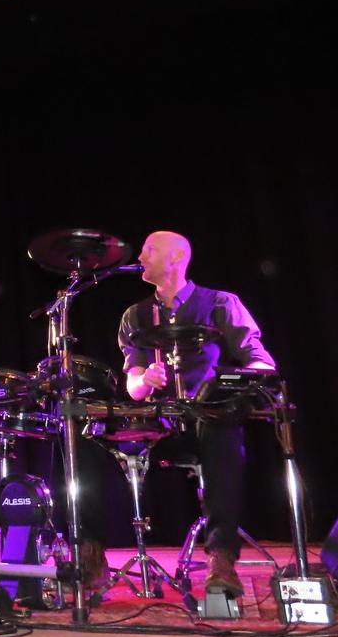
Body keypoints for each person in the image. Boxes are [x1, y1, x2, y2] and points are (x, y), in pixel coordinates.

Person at [117, 230, 275, 596]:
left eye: (149, 250)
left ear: (176, 257)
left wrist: (236, 382)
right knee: (90, 438)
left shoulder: (220, 303)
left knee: (220, 429)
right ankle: (89, 557)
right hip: (159, 424)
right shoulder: (134, 316)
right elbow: (133, 385)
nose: (140, 256)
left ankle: (221, 559)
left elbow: (260, 361)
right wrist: (146, 380)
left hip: (209, 419)